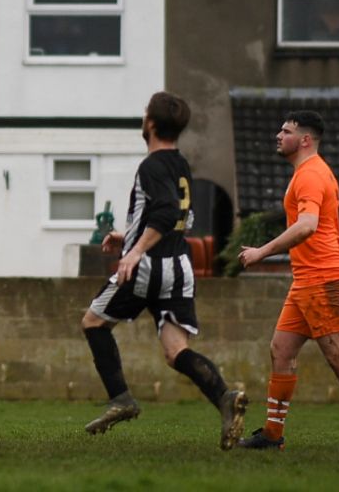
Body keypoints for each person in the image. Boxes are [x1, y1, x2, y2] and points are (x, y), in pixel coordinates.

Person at [80, 91, 248, 451]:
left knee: (93, 322)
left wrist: (134, 251)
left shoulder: (152, 166)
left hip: (149, 267)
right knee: (175, 351)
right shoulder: (179, 164)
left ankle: (121, 399)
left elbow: (167, 213)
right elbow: (179, 219)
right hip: (179, 267)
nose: (143, 118)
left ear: (151, 124)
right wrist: (127, 234)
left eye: (144, 114)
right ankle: (224, 395)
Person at [236, 111, 339, 453]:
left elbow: (307, 226)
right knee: (281, 350)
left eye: (285, 131)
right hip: (307, 279)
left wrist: (262, 252)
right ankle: (272, 435)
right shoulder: (310, 173)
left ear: (304, 139)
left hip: (322, 279)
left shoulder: (312, 175)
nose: (277, 135)